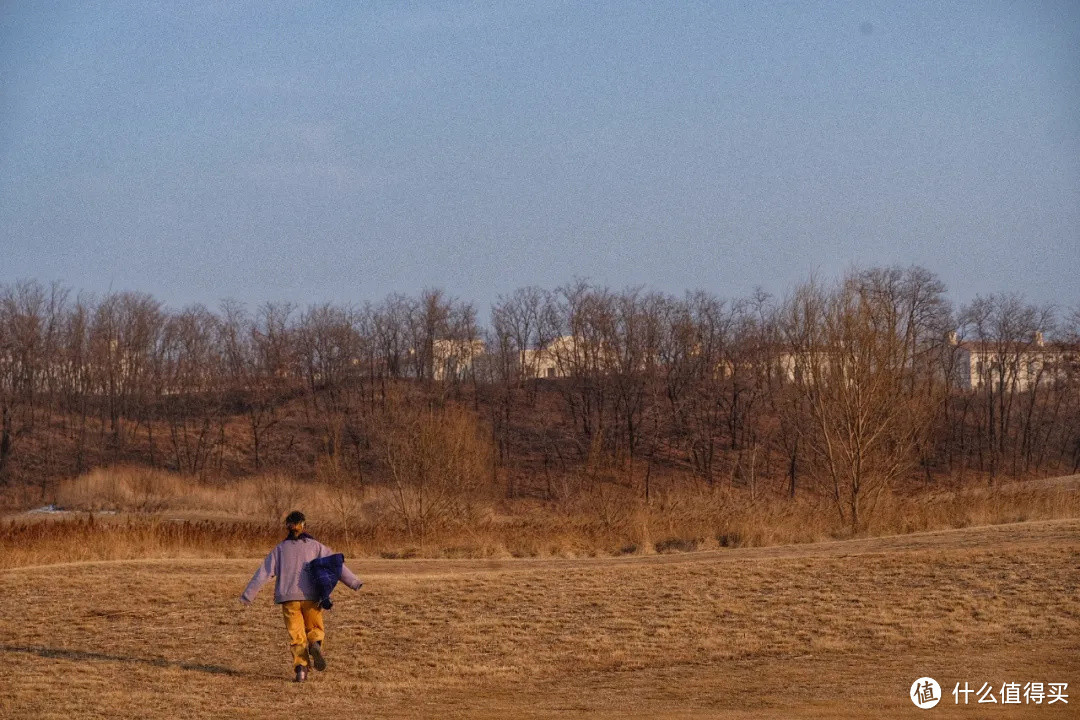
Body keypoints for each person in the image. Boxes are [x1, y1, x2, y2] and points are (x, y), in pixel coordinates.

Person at [240, 510, 363, 682]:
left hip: (288, 598)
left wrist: (248, 595)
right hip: (312, 597)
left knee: (296, 635)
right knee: (315, 629)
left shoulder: (280, 550)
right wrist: (354, 582)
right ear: (304, 525)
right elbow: (336, 564)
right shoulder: (316, 546)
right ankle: (314, 644)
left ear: (287, 527)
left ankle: (301, 671)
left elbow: (264, 573)